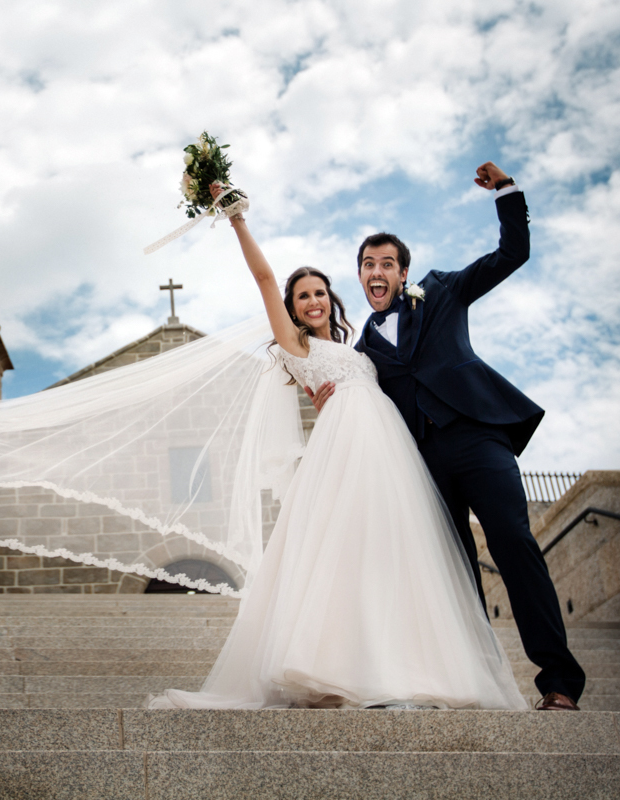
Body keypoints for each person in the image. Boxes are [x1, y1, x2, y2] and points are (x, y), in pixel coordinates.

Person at [146, 183, 527, 710]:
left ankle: (397, 662)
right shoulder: (295, 344)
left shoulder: (356, 346)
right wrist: (237, 220)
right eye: (303, 295)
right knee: (344, 552)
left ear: (332, 298)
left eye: (320, 292)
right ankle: (330, 668)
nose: (313, 300)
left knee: (388, 552)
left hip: (389, 452)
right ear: (294, 309)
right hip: (347, 449)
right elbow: (262, 278)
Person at [308, 162, 585, 711]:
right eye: (367, 264)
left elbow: (512, 254)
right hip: (421, 465)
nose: (376, 270)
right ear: (360, 278)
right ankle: (477, 681)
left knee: (513, 542)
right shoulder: (360, 353)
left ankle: (559, 680)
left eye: (387, 262)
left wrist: (507, 192)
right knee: (453, 573)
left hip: (478, 439)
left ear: (403, 272)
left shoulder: (442, 291)